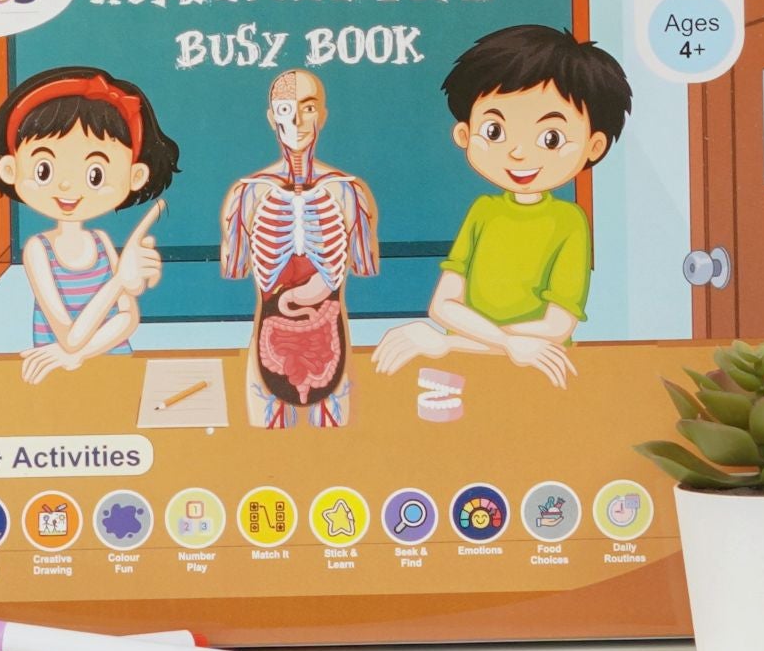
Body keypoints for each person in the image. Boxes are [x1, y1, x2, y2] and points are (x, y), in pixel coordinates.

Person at [374, 23, 626, 386]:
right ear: (464, 134)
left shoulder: (568, 221)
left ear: (594, 146)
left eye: (551, 138)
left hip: (541, 369)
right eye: (495, 131)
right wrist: (505, 343)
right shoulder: (484, 211)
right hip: (466, 364)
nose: (519, 153)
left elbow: (557, 325)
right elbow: (443, 304)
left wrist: (457, 342)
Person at [0, 65, 178, 378]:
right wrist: (120, 280)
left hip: (116, 367)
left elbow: (128, 319)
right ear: (10, 168)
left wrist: (76, 355)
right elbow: (69, 337)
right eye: (44, 170)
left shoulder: (101, 242)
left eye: (95, 175)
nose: (67, 186)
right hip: (57, 377)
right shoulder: (39, 250)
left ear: (135, 176)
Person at [220, 68, 378, 426]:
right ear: (271, 117)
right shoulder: (246, 195)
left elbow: (364, 264)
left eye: (307, 108)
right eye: (285, 110)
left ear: (321, 114)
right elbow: (235, 268)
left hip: (332, 340)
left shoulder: (348, 192)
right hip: (267, 342)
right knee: (266, 446)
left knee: (336, 445)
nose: (297, 122)